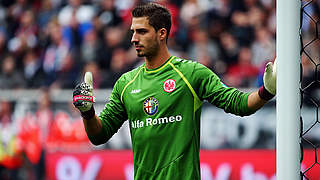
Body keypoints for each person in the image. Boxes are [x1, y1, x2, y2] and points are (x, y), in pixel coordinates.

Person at [72, 2, 276, 179]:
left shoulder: (191, 73)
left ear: (162, 34)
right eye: (133, 31)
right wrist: (87, 112)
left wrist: (266, 91)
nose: (134, 38)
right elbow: (99, 135)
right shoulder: (126, 82)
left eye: (142, 31)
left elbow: (238, 104)